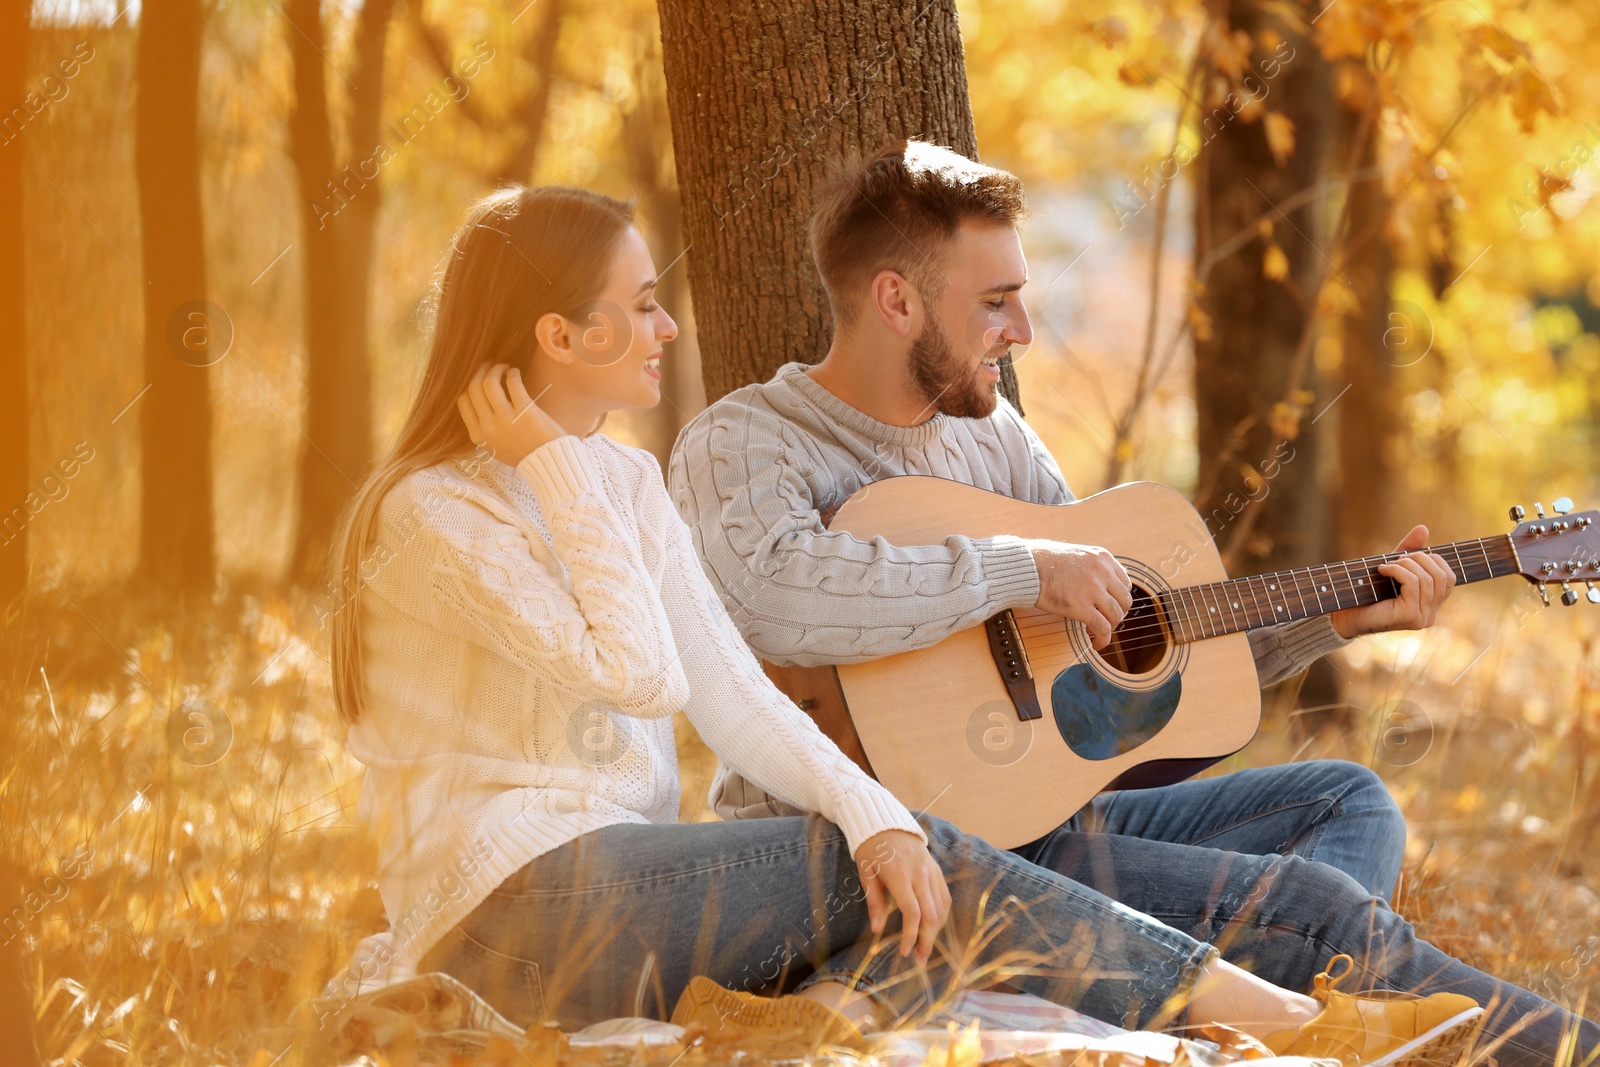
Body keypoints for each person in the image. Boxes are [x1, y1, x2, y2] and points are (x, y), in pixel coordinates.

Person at [328, 184, 1483, 1064]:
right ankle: (1286, 1020)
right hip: (510, 908)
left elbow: (727, 689)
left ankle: (823, 1020)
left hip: (631, 890)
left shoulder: (617, 485)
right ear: (554, 336)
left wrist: (881, 815)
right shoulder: (436, 515)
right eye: (635, 307)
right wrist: (556, 474)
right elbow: (641, 678)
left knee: (904, 878)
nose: (665, 325)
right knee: (883, 866)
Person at [666, 140, 1599, 1067]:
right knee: (1311, 910)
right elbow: (775, 596)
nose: (1023, 330)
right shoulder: (747, 440)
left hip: (1043, 825)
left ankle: (1229, 1001)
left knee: (1342, 798)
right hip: (875, 852)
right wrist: (1024, 567)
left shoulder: (997, 445)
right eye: (995, 303)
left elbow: (1111, 661)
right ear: (896, 301)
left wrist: (1331, 621)